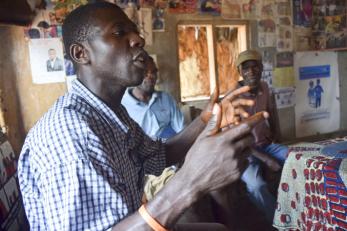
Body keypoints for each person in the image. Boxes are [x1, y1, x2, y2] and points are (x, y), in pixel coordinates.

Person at [18, 2, 267, 230]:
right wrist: (192, 179)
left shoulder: (110, 113)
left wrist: (206, 120)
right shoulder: (72, 137)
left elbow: (157, 156)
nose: (138, 39)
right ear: (81, 54)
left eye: (135, 32)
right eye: (119, 32)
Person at [234, 49, 289, 222]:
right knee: (257, 185)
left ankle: (297, 206)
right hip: (245, 153)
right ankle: (277, 220)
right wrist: (267, 160)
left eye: (255, 66)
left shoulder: (265, 87)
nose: (251, 71)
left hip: (267, 145)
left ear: (261, 68)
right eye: (246, 68)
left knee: (295, 158)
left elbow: (272, 112)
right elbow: (239, 141)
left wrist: (278, 138)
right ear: (240, 72)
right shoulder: (234, 98)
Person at [122, 56, 184, 140]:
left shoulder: (166, 98)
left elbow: (181, 128)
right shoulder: (122, 105)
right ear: (134, 75)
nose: (151, 76)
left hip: (171, 147)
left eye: (154, 72)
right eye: (145, 72)